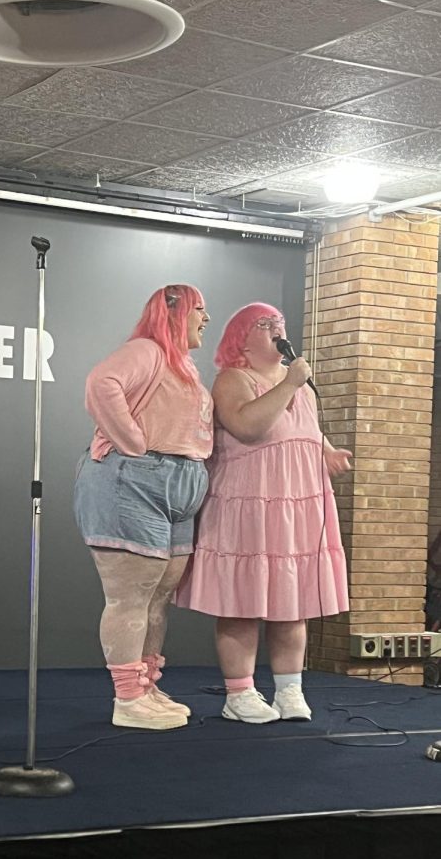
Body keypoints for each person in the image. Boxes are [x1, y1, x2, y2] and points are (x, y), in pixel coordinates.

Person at [176, 302, 350, 722]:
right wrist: (290, 384)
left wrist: (328, 453)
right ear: (242, 336)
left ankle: (290, 690)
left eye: (280, 323)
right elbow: (249, 426)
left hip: (298, 504)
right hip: (247, 505)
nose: (278, 329)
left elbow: (304, 433)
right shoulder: (233, 379)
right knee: (241, 601)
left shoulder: (303, 388)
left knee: (294, 603)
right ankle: (240, 694)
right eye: (266, 324)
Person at [73, 284, 213, 731]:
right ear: (174, 313)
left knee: (158, 598)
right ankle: (128, 698)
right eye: (199, 310)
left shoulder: (182, 364)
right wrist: (131, 440)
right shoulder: (147, 350)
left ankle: (145, 685)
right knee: (130, 597)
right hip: (134, 483)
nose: (205, 319)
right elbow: (101, 382)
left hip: (177, 486)